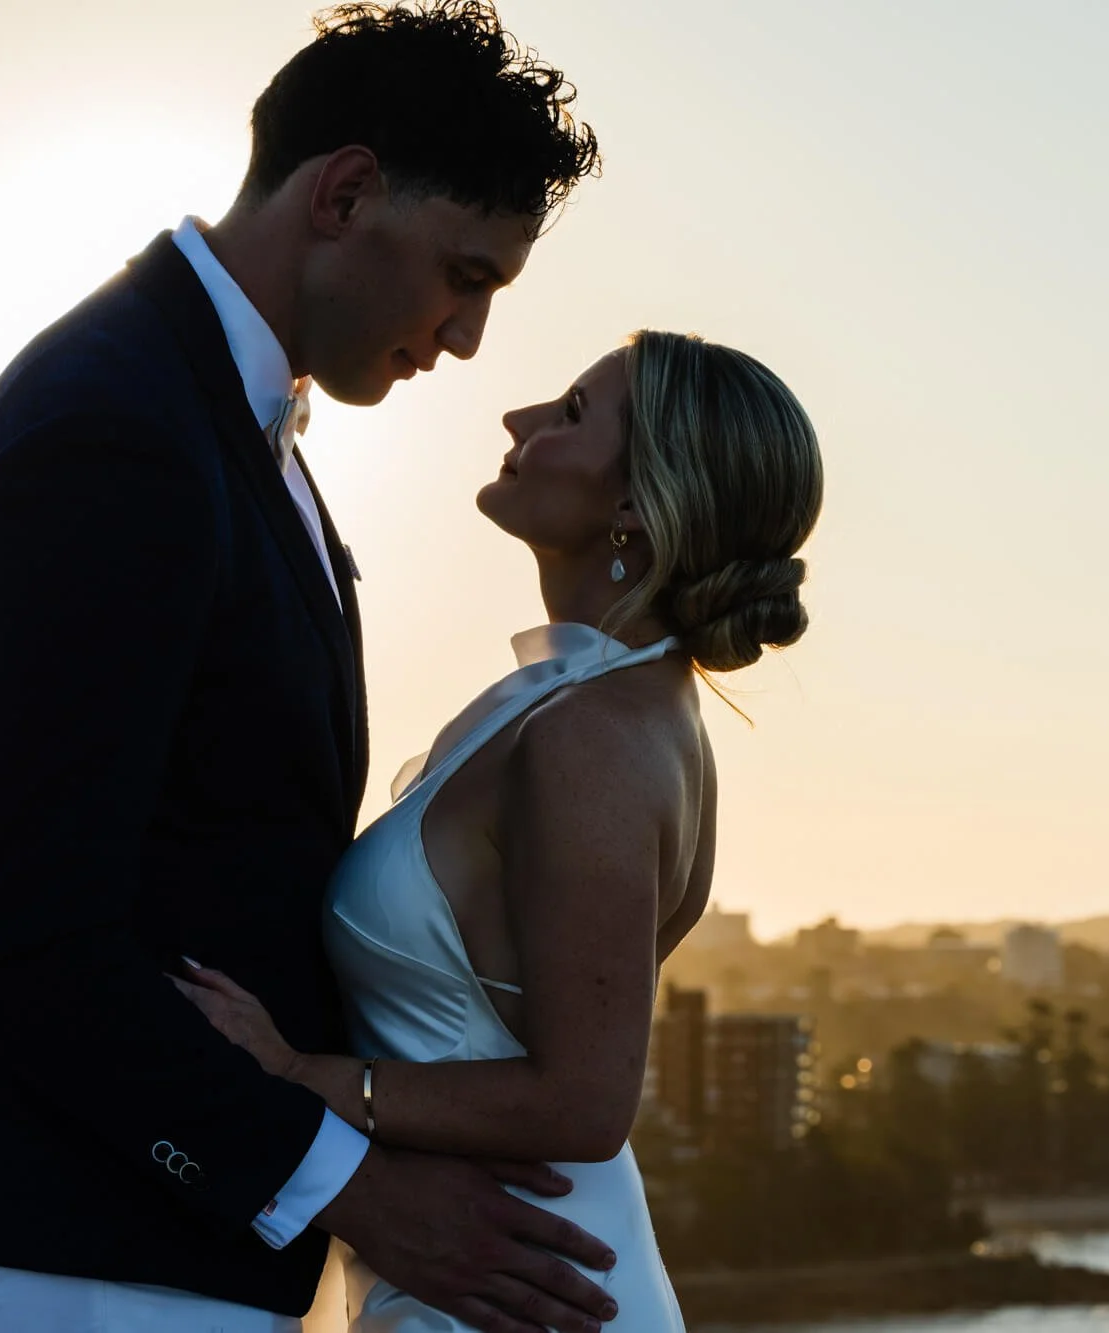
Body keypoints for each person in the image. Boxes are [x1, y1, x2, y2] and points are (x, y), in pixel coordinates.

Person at [0, 5, 612, 1330]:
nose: (471, 337)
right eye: (464, 272)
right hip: (88, 1245)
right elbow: (30, 935)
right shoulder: (114, 426)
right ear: (347, 193)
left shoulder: (227, 422)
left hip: (160, 1240)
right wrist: (349, 1183)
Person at [176, 329, 826, 1332]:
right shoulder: (586, 704)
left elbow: (581, 1100)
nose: (518, 421)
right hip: (489, 1268)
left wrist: (295, 1076)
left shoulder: (594, 736)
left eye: (569, 413)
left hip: (524, 1288)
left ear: (632, 504)